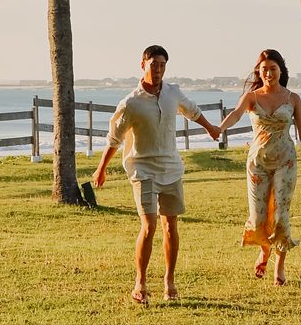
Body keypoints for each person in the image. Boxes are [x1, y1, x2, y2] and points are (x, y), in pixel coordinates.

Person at [92, 45, 221, 304]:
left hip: (171, 168)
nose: (158, 69)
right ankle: (140, 283)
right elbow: (114, 138)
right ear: (143, 65)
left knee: (170, 226)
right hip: (143, 170)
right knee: (149, 226)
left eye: (162, 65)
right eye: (154, 65)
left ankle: (169, 281)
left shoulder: (173, 93)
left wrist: (210, 128)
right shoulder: (131, 103)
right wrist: (101, 168)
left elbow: (193, 111)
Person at [219, 48, 301, 286]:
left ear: (281, 70)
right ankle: (264, 249)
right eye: (264, 69)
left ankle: (279, 267)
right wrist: (219, 128)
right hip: (258, 164)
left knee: (281, 216)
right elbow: (236, 114)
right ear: (259, 72)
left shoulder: (292, 99)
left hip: (286, 161)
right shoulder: (251, 97)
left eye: (273, 69)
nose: (268, 73)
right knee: (258, 217)